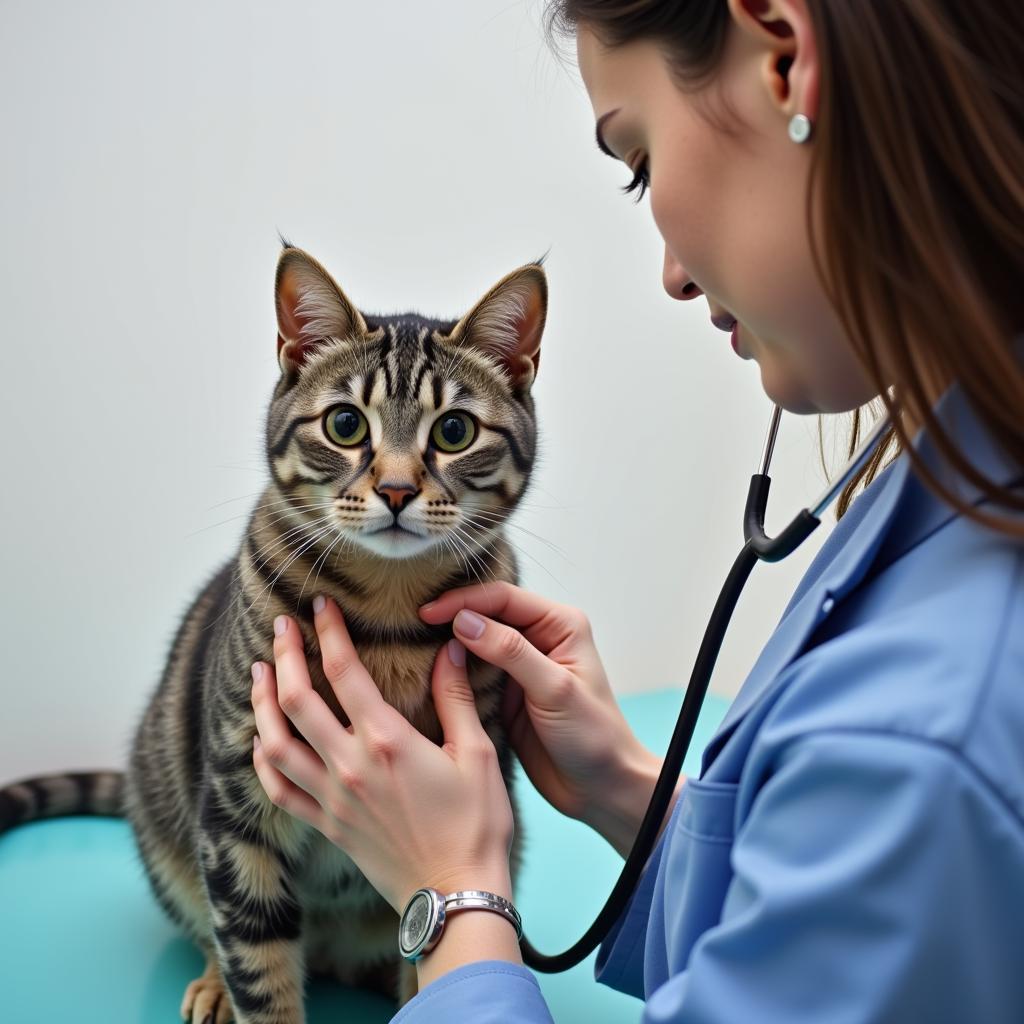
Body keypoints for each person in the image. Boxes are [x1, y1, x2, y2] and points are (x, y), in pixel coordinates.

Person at [248, 0, 1024, 1019]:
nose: (666, 273)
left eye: (639, 159)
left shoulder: (929, 739)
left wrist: (452, 893)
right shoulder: (955, 471)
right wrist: (619, 781)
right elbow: (802, 946)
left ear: (784, 58)